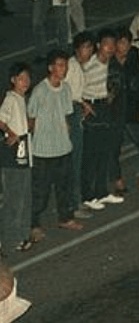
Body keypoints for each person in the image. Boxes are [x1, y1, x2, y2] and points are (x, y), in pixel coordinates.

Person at [28, 50, 82, 241]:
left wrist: (65, 135)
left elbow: (66, 114)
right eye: (59, 65)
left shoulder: (66, 88)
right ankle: (33, 225)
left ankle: (65, 218)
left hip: (63, 148)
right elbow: (31, 117)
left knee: (64, 187)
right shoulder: (40, 91)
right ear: (51, 67)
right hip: (43, 151)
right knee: (40, 192)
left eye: (65, 65)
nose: (63, 69)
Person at [108, 28, 139, 192]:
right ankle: (118, 181)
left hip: (132, 107)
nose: (125, 46)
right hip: (114, 110)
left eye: (127, 43)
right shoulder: (108, 61)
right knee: (114, 148)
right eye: (122, 43)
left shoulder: (134, 56)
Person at [80, 28, 125, 209]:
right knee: (91, 155)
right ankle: (87, 195)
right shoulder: (88, 65)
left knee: (105, 152)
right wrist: (83, 104)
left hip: (106, 107)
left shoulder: (112, 65)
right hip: (92, 109)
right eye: (107, 45)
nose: (111, 48)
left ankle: (101, 192)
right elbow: (73, 86)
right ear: (99, 45)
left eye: (113, 44)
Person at [0, 63, 34, 254]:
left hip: (25, 151)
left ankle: (21, 235)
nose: (25, 82)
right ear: (13, 80)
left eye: (27, 78)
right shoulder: (11, 98)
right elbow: (1, 119)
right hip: (13, 155)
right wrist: (10, 132)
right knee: (13, 198)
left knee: (24, 196)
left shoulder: (22, 99)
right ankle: (8, 239)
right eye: (21, 78)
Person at [66, 32, 93, 215]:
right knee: (74, 162)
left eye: (90, 47)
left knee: (78, 161)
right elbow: (66, 94)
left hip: (76, 111)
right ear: (76, 49)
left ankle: (76, 201)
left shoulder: (80, 66)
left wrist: (83, 102)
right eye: (85, 47)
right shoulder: (71, 67)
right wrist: (80, 104)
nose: (88, 51)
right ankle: (73, 205)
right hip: (70, 114)